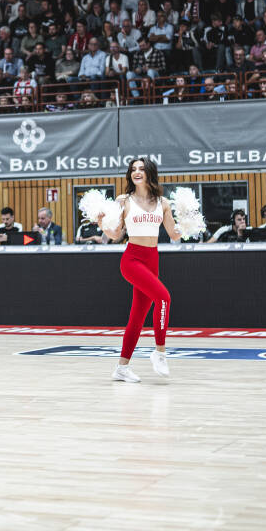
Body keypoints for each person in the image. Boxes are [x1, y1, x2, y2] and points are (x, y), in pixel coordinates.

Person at [102, 157, 185, 383]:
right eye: (133, 169)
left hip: (152, 260)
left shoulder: (163, 203)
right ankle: (160, 352)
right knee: (164, 298)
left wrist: (188, 221)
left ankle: (122, 368)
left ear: (150, 172)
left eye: (141, 168)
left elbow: (174, 234)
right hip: (132, 260)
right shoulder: (123, 200)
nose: (136, 172)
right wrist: (101, 223)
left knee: (137, 317)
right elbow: (115, 234)